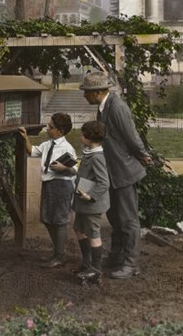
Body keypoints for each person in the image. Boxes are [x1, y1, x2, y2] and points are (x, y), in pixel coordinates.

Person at [80, 71, 152, 279]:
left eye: (87, 92)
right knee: (115, 217)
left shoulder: (117, 107)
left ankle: (131, 264)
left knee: (128, 219)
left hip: (124, 171)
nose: (85, 96)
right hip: (111, 171)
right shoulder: (104, 108)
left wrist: (142, 155)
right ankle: (116, 257)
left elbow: (131, 135)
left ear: (98, 92)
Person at [19, 112, 77, 268]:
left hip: (61, 185)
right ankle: (57, 252)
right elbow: (31, 151)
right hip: (49, 185)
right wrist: (25, 138)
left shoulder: (67, 148)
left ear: (60, 131)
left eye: (51, 127)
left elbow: (74, 170)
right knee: (47, 218)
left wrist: (64, 167)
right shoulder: (47, 144)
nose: (47, 128)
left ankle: (60, 256)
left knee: (59, 221)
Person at [73, 121, 110, 281]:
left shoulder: (97, 157)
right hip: (83, 203)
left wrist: (90, 196)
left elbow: (104, 182)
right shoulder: (90, 152)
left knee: (93, 234)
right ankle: (87, 262)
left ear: (89, 138)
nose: (80, 136)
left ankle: (96, 269)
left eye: (82, 134)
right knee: (79, 230)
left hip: (91, 204)